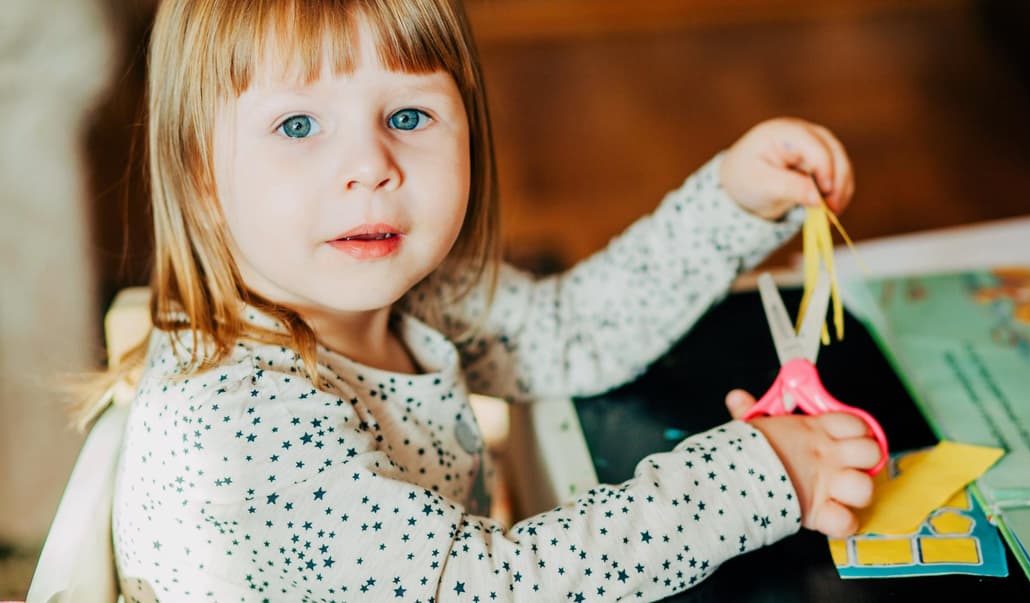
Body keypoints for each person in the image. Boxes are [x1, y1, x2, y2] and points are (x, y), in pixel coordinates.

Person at [98, 0, 880, 600]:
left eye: (409, 116)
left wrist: (732, 201)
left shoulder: (410, 289)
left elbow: (570, 329)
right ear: (201, 174)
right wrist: (749, 478)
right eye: (298, 124)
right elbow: (496, 586)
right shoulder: (244, 426)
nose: (370, 165)